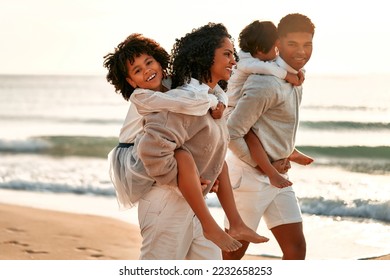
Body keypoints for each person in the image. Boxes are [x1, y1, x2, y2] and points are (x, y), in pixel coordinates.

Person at [104, 32, 266, 258]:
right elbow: (156, 143)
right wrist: (179, 182)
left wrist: (220, 101)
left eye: (149, 62)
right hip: (134, 154)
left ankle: (235, 222)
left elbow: (211, 92)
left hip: (188, 202)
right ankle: (216, 219)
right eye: (137, 70)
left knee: (218, 163)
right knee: (182, 156)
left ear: (160, 61)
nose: (147, 71)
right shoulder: (144, 97)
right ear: (131, 82)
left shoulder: (175, 85)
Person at [223, 13, 316, 260]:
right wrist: (265, 168)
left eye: (307, 44)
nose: (301, 52)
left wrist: (284, 156)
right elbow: (231, 134)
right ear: (278, 44)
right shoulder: (265, 82)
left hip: (278, 174)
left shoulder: (296, 78)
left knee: (296, 250)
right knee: (231, 256)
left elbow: (273, 126)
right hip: (249, 176)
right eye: (292, 44)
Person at [226, 20, 307, 189]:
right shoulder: (245, 62)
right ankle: (270, 172)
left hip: (240, 103)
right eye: (276, 49)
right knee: (250, 137)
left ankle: (288, 150)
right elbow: (269, 69)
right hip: (231, 109)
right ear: (260, 51)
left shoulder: (254, 57)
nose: (278, 54)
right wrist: (288, 76)